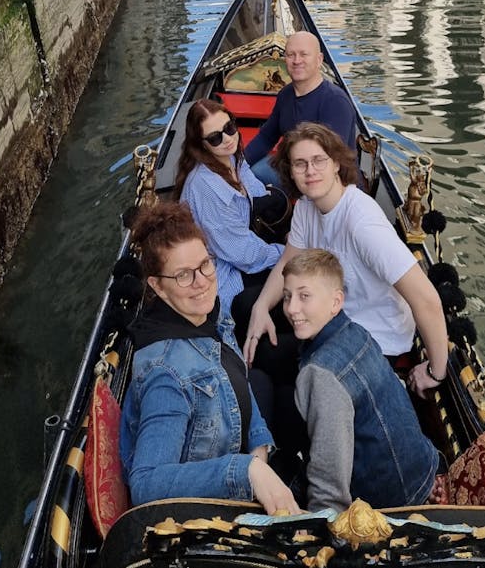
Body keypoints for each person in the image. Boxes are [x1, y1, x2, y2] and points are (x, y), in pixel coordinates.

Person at [243, 122, 449, 399]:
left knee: (284, 395)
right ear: (290, 171)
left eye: (318, 161)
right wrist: (261, 308)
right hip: (331, 317)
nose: (310, 171)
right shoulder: (306, 206)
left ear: (337, 164)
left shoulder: (362, 223)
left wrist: (436, 372)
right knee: (246, 311)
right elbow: (286, 264)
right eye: (300, 164)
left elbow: (426, 299)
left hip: (374, 337)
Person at [119, 202, 300, 514]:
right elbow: (146, 485)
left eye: (205, 264)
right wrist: (246, 471)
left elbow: (238, 382)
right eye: (184, 275)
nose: (202, 281)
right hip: (210, 507)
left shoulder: (208, 315)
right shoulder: (165, 375)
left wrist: (258, 455)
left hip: (243, 461)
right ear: (158, 287)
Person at [283, 249, 440, 511]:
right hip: (423, 469)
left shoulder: (320, 374)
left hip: (384, 506)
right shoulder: (358, 332)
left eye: (304, 296)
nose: (291, 308)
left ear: (336, 302)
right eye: (287, 296)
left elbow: (329, 490)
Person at [174, 98, 283, 317]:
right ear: (202, 144)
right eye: (215, 138)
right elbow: (242, 253)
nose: (227, 139)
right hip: (220, 272)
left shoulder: (231, 158)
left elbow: (256, 190)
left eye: (229, 127)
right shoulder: (205, 188)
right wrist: (287, 253)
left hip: (239, 247)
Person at [244, 31, 357, 185]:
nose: (297, 61)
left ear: (319, 60)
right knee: (249, 173)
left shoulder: (335, 101)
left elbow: (331, 159)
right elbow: (266, 137)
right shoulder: (285, 94)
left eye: (304, 54)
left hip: (330, 180)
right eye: (291, 55)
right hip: (294, 167)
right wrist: (237, 166)